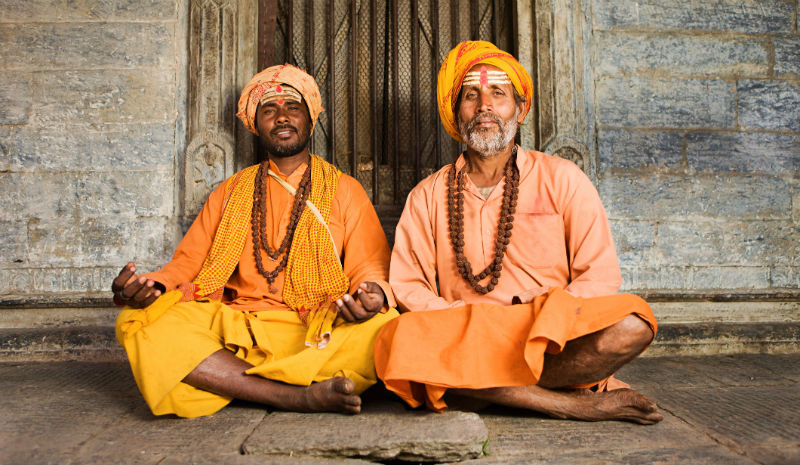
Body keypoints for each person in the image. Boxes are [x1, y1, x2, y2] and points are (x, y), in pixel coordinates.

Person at [373, 41, 662, 425]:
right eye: (471, 95)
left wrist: (544, 317)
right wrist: (463, 321)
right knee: (396, 338)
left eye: (498, 94)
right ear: (456, 112)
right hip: (466, 333)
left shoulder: (563, 178)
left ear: (520, 109)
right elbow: (409, 286)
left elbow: (600, 275)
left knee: (634, 322)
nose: (484, 107)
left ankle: (481, 389)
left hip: (546, 331)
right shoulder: (427, 195)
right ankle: (565, 403)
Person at [112, 64, 398, 418]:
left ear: (310, 120)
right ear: (255, 124)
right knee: (139, 321)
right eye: (268, 110)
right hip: (238, 326)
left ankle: (233, 382)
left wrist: (369, 294)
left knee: (386, 327)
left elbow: (368, 265)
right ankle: (293, 395)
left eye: (292, 107)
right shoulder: (231, 191)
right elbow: (189, 263)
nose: (281, 117)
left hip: (314, 327)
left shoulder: (344, 189)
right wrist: (151, 285)